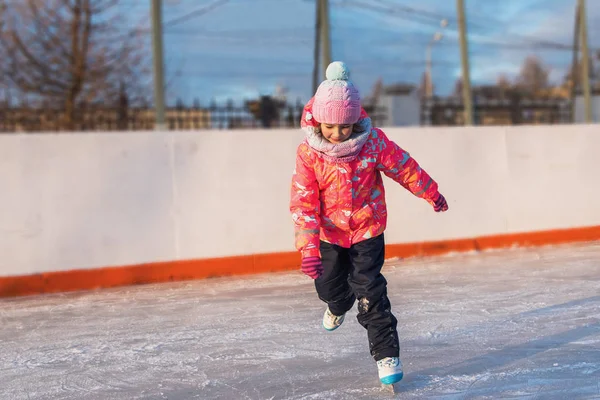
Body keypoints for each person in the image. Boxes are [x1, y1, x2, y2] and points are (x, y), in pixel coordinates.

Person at [289, 61, 448, 385]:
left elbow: (404, 167)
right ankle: (337, 304)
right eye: (330, 126)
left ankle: (386, 354)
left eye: (345, 126)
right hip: (330, 235)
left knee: (370, 291)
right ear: (318, 120)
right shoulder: (309, 154)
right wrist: (308, 246)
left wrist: (430, 192)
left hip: (367, 230)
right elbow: (304, 199)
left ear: (355, 119)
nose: (337, 134)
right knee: (330, 288)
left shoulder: (373, 142)